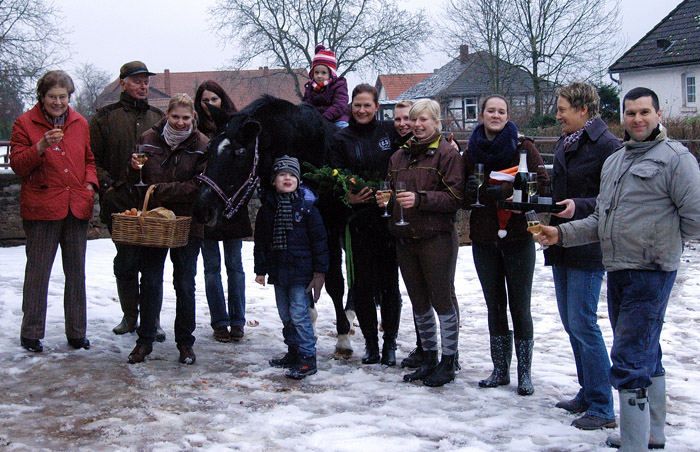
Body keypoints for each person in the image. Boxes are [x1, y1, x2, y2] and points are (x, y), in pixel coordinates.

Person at [535, 87, 700, 451]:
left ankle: (634, 442)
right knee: (647, 351)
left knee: (628, 358)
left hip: (651, 271)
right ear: (621, 117)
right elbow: (599, 221)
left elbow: (696, 220)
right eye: (630, 113)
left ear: (658, 115)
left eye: (644, 112)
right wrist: (559, 234)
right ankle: (652, 434)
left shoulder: (676, 159)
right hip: (618, 268)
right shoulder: (617, 161)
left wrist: (665, 246)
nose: (637, 119)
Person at [545, 82, 620, 429]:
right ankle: (588, 391)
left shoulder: (607, 145)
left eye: (562, 109)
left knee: (583, 322)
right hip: (561, 241)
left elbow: (615, 199)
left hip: (588, 246)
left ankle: (603, 407)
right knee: (570, 321)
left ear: (583, 110)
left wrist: (581, 206)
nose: (557, 115)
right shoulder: (568, 139)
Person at [463, 94, 547, 396]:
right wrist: (471, 190)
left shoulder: (524, 148)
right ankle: (500, 370)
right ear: (482, 115)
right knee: (494, 305)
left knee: (520, 306)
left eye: (502, 111)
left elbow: (543, 188)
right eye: (490, 111)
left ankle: (525, 374)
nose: (496, 115)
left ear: (508, 116)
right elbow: (463, 197)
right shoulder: (472, 151)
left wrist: (512, 190)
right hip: (484, 238)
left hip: (517, 237)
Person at [377, 98, 464, 386]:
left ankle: (449, 361)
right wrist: (384, 200)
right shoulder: (399, 157)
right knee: (419, 302)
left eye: (424, 120)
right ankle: (429, 357)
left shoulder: (447, 154)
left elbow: (455, 198)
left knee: (442, 298)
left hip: (436, 237)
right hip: (405, 237)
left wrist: (421, 199)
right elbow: (390, 189)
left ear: (437, 123)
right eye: (414, 120)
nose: (417, 125)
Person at [10, 70, 98, 352]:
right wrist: (40, 146)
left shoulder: (80, 122)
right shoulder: (24, 122)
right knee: (38, 273)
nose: (58, 102)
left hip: (76, 207)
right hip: (41, 209)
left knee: (76, 273)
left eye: (63, 97)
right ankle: (31, 333)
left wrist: (89, 185)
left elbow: (89, 159)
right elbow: (18, 165)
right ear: (42, 96)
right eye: (52, 97)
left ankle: (76, 332)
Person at [126, 94, 208, 365]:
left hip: (187, 223)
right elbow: (135, 181)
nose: (181, 122)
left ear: (193, 117)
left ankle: (185, 343)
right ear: (167, 115)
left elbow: (199, 186)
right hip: (154, 223)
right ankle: (144, 340)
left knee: (184, 284)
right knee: (149, 281)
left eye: (186, 118)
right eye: (176, 117)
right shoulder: (148, 139)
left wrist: (162, 191)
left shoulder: (202, 145)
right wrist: (133, 169)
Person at [90, 61, 166, 339]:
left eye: (146, 81)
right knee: (126, 262)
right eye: (137, 81)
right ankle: (129, 315)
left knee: (153, 266)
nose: (143, 86)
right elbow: (91, 159)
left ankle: (152, 319)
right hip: (120, 203)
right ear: (123, 83)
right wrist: (107, 187)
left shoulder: (159, 118)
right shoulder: (103, 118)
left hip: (154, 204)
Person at [330, 84, 402, 366]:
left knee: (389, 285)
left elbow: (406, 163)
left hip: (387, 220)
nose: (361, 110)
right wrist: (346, 195)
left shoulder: (388, 133)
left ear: (376, 107)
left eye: (367, 105)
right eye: (357, 105)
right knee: (362, 285)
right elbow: (332, 177)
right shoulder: (341, 138)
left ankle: (390, 343)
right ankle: (370, 343)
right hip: (358, 221)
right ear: (351, 106)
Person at [254, 156, 328, 379]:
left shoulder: (307, 208)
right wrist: (260, 270)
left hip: (302, 271)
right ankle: (293, 350)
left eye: (292, 175)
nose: (287, 178)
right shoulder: (268, 209)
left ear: (298, 180)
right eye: (282, 174)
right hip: (278, 270)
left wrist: (319, 272)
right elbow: (262, 241)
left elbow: (320, 241)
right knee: (285, 314)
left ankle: (307, 356)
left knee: (299, 313)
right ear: (273, 181)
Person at [194, 80, 251, 342]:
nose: (209, 105)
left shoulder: (235, 126)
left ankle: (238, 320)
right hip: (206, 203)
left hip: (233, 203)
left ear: (222, 100)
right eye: (205, 100)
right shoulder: (194, 129)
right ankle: (219, 321)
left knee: (235, 265)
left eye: (213, 100)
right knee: (211, 267)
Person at [302, 45, 350, 129]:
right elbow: (306, 104)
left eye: (323, 73)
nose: (319, 76)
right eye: (316, 72)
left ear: (331, 74)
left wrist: (324, 117)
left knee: (344, 131)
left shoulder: (338, 85)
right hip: (316, 120)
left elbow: (340, 105)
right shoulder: (310, 87)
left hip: (336, 119)